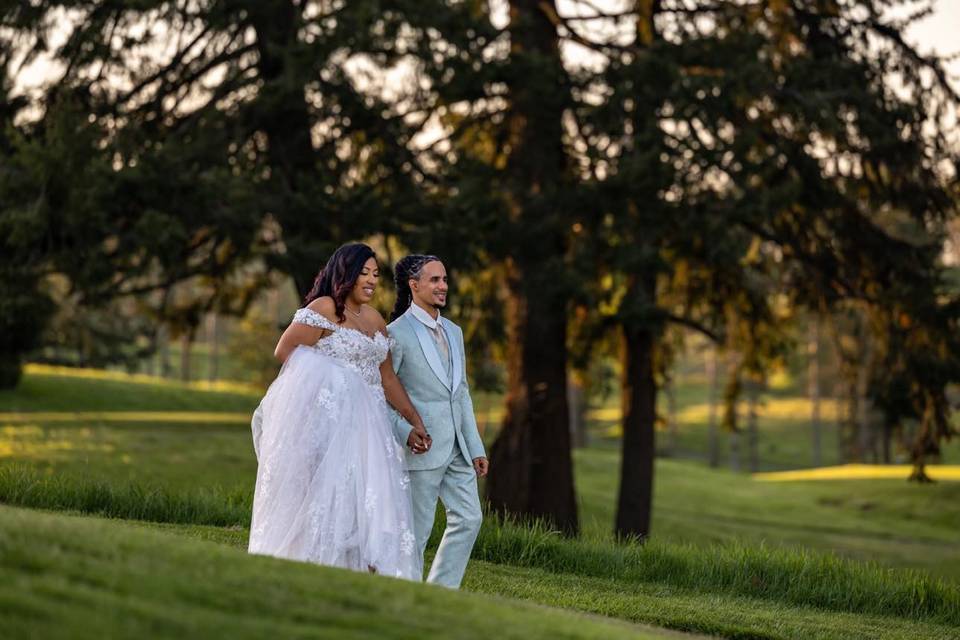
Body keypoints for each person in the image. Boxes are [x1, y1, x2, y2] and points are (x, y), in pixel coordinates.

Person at [248, 243, 431, 580]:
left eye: (376, 274)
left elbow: (386, 377)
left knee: (367, 495)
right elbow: (285, 350)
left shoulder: (375, 319)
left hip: (370, 427)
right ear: (346, 271)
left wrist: (414, 420)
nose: (372, 280)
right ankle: (315, 562)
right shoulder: (326, 308)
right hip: (330, 424)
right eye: (364, 272)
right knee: (328, 491)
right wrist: (334, 381)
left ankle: (361, 570)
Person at [388, 254, 488, 588]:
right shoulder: (395, 334)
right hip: (421, 448)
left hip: (457, 447)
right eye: (434, 280)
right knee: (416, 532)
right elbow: (381, 396)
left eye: (444, 279)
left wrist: (475, 446)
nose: (443, 286)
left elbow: (461, 393)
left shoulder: (455, 332)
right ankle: (406, 594)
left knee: (470, 518)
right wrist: (404, 432)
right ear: (413, 286)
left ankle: (442, 590)